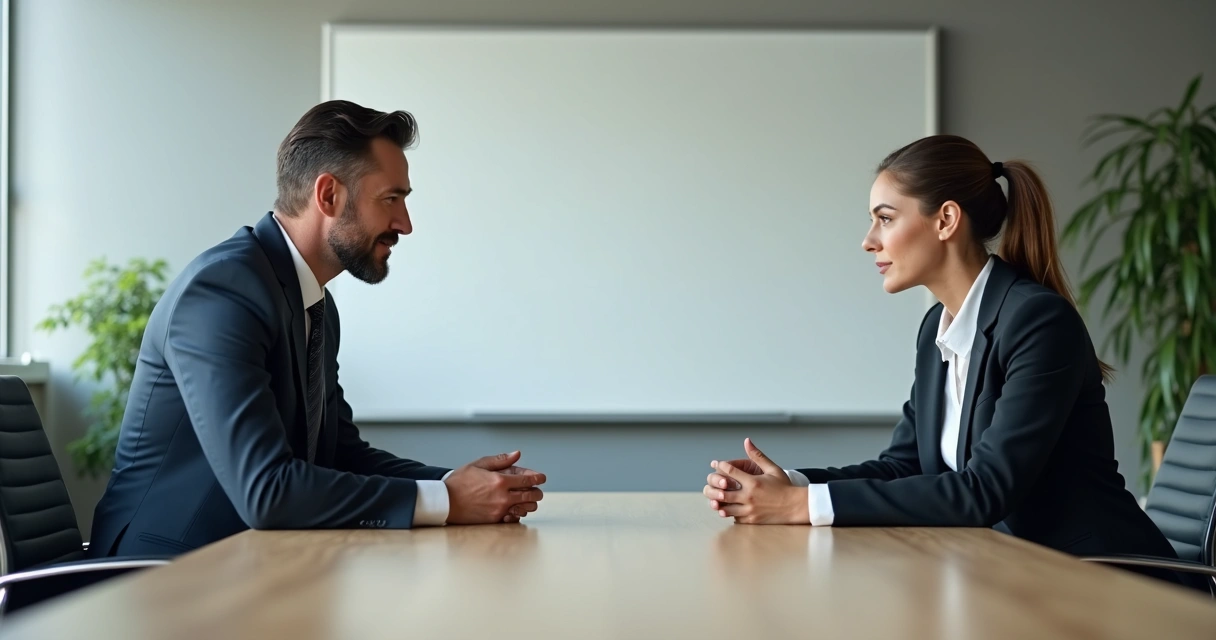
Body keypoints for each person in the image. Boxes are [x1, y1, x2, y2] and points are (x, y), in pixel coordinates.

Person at [702, 134, 1202, 590]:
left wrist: (800, 508)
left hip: (1106, 583)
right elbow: (906, 465)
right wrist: (794, 483)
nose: (869, 240)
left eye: (885, 218)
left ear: (945, 220)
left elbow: (985, 490)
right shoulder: (936, 330)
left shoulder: (1036, 322)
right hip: (1015, 573)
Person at [88, 100, 546, 558]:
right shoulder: (222, 293)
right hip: (160, 577)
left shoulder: (314, 304)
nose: (404, 224)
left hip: (250, 564)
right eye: (391, 198)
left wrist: (455, 484)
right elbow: (266, 491)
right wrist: (447, 503)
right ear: (328, 196)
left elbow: (341, 455)